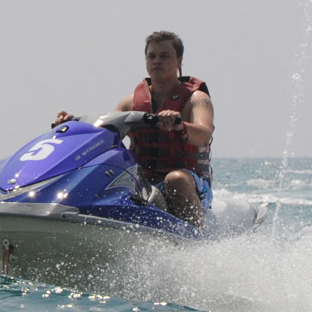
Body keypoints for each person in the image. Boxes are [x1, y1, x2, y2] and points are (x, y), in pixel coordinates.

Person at [54, 31, 214, 227]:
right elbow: (104, 134)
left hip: (191, 183)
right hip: (142, 181)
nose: (157, 61)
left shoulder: (196, 99)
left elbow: (203, 136)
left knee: (175, 179)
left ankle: (201, 239)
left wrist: (179, 124)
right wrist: (71, 124)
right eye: (152, 56)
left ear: (179, 61)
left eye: (165, 56)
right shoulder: (130, 103)